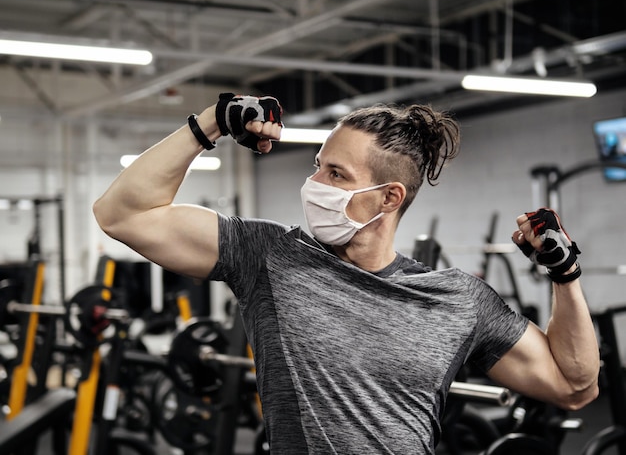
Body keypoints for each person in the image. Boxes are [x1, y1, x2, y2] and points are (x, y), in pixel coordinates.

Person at [93, 93, 600, 454]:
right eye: (318, 166)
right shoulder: (269, 256)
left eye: (335, 174)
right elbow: (122, 215)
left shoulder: (458, 300)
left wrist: (566, 274)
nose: (314, 183)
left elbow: (575, 386)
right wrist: (210, 123)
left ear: (389, 198)